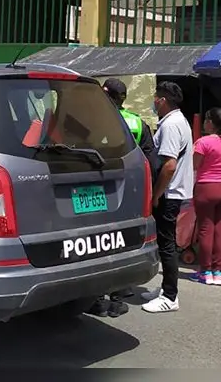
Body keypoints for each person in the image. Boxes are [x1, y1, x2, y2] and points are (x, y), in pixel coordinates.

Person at [87, 78, 156, 317]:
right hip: (127, 194)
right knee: (121, 242)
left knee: (95, 243)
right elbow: (150, 162)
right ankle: (118, 296)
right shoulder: (137, 122)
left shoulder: (90, 120)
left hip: (92, 194)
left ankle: (96, 297)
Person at [141, 81, 194, 313]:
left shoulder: (171, 125)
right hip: (172, 191)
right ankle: (165, 289)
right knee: (165, 242)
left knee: (167, 244)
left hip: (169, 193)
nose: (153, 102)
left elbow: (169, 165)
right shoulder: (178, 121)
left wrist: (156, 195)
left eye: (155, 98)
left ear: (162, 100)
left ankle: (170, 296)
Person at [191, 107, 221, 284]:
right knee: (219, 230)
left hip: (205, 186)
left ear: (210, 122)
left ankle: (205, 271)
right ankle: (218, 271)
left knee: (205, 229)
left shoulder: (203, 142)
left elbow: (194, 165)